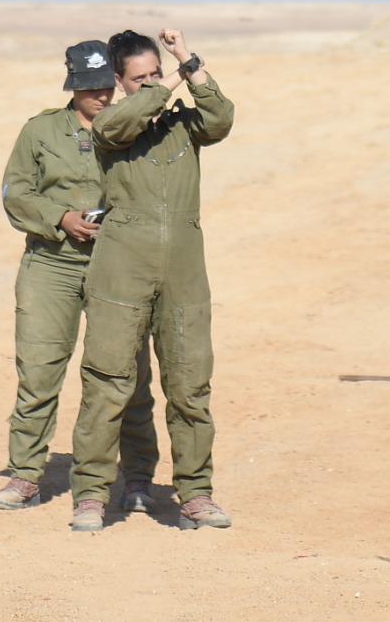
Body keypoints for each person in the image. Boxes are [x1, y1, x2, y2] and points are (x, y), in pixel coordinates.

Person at [67, 28, 235, 532]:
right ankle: (91, 494)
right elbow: (118, 125)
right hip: (123, 267)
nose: (152, 83)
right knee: (109, 382)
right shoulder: (111, 124)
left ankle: (196, 494)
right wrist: (166, 86)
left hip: (183, 271)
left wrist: (188, 60)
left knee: (189, 384)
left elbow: (221, 118)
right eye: (139, 78)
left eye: (156, 73)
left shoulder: (183, 125)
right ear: (118, 82)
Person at [0, 39, 160, 513]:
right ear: (72, 87)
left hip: (118, 267)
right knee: (39, 371)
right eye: (89, 88)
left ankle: (138, 479)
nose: (100, 96)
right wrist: (60, 217)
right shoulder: (40, 131)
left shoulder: (133, 127)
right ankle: (25, 475)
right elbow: (15, 193)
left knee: (128, 376)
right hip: (51, 265)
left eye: (106, 86)